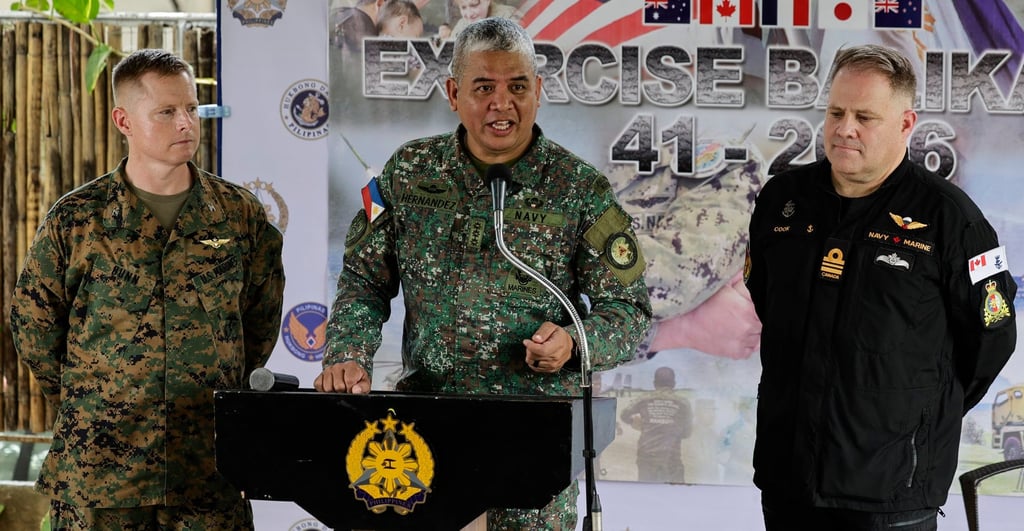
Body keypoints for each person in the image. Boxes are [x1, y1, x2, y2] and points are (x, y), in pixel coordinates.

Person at [316, 16, 652, 530]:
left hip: (533, 450)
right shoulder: (408, 174)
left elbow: (629, 312)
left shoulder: (580, 190)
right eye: (483, 88)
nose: (502, 103)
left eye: (518, 86)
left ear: (538, 91)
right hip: (425, 444)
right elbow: (363, 281)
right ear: (453, 93)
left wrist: (573, 342)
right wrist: (347, 353)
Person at [9, 48, 286, 530]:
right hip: (101, 473)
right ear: (123, 120)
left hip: (207, 470)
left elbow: (260, 319)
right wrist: (92, 395)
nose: (185, 123)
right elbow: (33, 327)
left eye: (190, 109)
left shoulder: (238, 214)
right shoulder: (77, 219)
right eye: (166, 112)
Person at [745, 44, 1017, 530]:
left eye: (864, 116)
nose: (844, 128)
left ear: (906, 124)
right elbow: (768, 300)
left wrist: (917, 413)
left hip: (892, 492)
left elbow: (991, 336)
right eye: (835, 112)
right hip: (789, 478)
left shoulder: (951, 220)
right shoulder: (783, 200)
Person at [619, 366, 693, 483]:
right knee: (676, 496)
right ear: (673, 383)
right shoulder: (683, 403)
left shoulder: (644, 399)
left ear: (654, 383)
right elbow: (687, 433)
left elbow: (624, 414)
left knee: (647, 495)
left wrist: (636, 423)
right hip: (671, 457)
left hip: (647, 456)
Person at [448, 0, 518, 39]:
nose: (469, 14)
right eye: (463, 7)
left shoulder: (510, 17)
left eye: (474, 5)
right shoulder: (461, 25)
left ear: (488, 1)